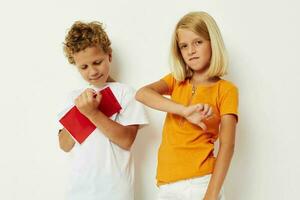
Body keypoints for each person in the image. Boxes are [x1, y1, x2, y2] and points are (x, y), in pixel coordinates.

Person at [135, 11, 238, 200]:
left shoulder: (225, 90)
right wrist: (183, 111)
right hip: (166, 185)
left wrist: (211, 194)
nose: (190, 51)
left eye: (198, 42)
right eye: (184, 46)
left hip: (200, 184)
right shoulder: (176, 81)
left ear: (212, 42)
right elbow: (142, 94)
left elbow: (228, 145)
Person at [58, 21, 148, 200]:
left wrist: (93, 113)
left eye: (97, 62)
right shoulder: (74, 98)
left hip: (114, 191)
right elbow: (64, 145)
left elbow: (126, 140)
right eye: (84, 67)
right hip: (78, 190)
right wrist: (80, 111)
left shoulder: (125, 92)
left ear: (109, 56)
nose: (92, 71)